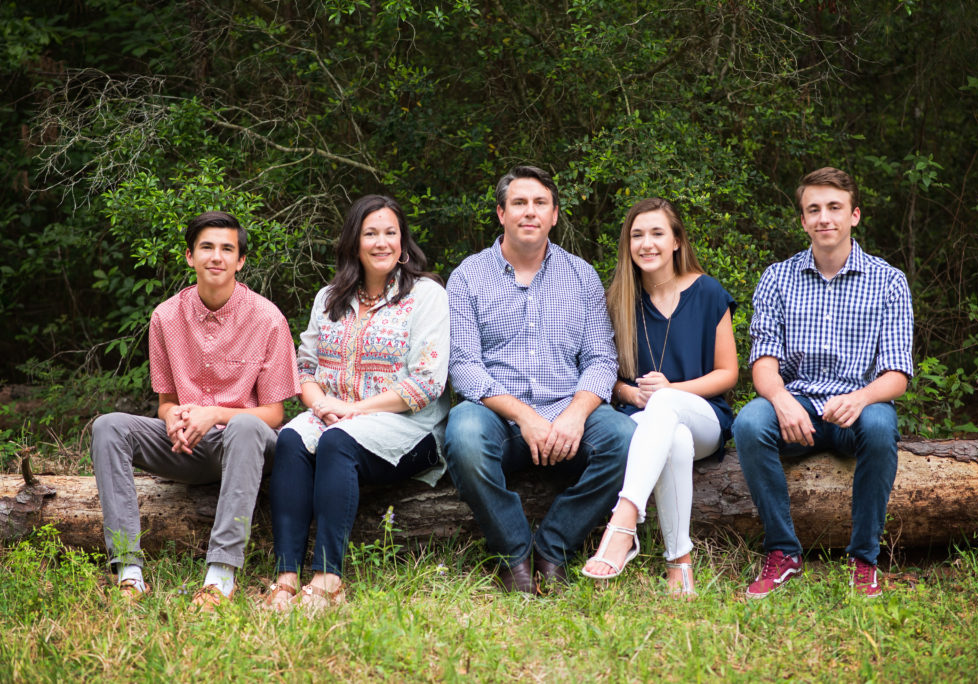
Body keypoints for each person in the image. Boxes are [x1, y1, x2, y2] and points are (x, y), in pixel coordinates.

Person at [91, 211, 300, 611]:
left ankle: (220, 578)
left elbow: (274, 414)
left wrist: (215, 414)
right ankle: (129, 573)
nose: (216, 256)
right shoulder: (165, 317)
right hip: (186, 448)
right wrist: (170, 417)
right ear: (190, 256)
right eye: (206, 247)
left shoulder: (267, 318)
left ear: (240, 260)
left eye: (227, 249)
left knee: (243, 426)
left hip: (245, 448)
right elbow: (166, 401)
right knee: (108, 426)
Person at [444, 165, 636, 595]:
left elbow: (601, 359)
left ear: (553, 215)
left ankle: (554, 547)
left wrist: (575, 415)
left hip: (568, 415)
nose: (529, 212)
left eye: (539, 203)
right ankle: (513, 555)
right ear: (501, 214)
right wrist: (524, 417)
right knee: (464, 434)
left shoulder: (582, 276)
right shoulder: (467, 277)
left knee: (625, 439)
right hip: (499, 417)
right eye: (519, 203)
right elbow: (464, 365)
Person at [733, 167, 914, 599]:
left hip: (858, 406)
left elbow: (896, 374)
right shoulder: (777, 278)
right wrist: (779, 397)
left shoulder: (888, 281)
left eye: (834, 207)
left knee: (880, 425)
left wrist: (861, 398)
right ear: (802, 220)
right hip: (800, 409)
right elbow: (762, 361)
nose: (824, 218)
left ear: (854, 215)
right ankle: (783, 553)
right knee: (748, 423)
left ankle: (863, 560)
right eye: (813, 209)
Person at [264, 194, 449, 610]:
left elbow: (427, 384)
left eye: (390, 233)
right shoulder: (330, 298)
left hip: (409, 425)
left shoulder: (426, 296)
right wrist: (320, 405)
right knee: (291, 440)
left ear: (403, 243)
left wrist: (352, 411)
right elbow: (305, 367)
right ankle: (286, 578)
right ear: (354, 241)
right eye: (371, 233)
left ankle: (329, 580)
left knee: (337, 441)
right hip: (334, 413)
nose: (381, 242)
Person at [581, 198, 738, 598]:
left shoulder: (708, 292)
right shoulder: (616, 299)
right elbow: (604, 373)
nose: (646, 243)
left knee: (670, 412)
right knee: (674, 439)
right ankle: (679, 564)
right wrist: (630, 391)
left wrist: (669, 391)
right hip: (642, 418)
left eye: (656, 233)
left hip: (702, 414)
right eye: (637, 235)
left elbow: (727, 374)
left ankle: (623, 522)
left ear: (676, 241)